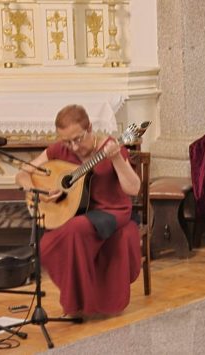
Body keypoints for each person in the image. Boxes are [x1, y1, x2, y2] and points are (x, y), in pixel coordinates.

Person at [15, 104, 142, 317]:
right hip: (78, 212)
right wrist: (37, 190)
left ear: (89, 128)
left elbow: (134, 188)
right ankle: (80, 300)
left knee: (72, 230)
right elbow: (22, 174)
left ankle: (79, 305)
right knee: (46, 245)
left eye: (78, 139)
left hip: (111, 211)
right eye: (67, 141)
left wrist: (116, 158)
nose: (73, 147)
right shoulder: (59, 150)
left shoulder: (110, 147)